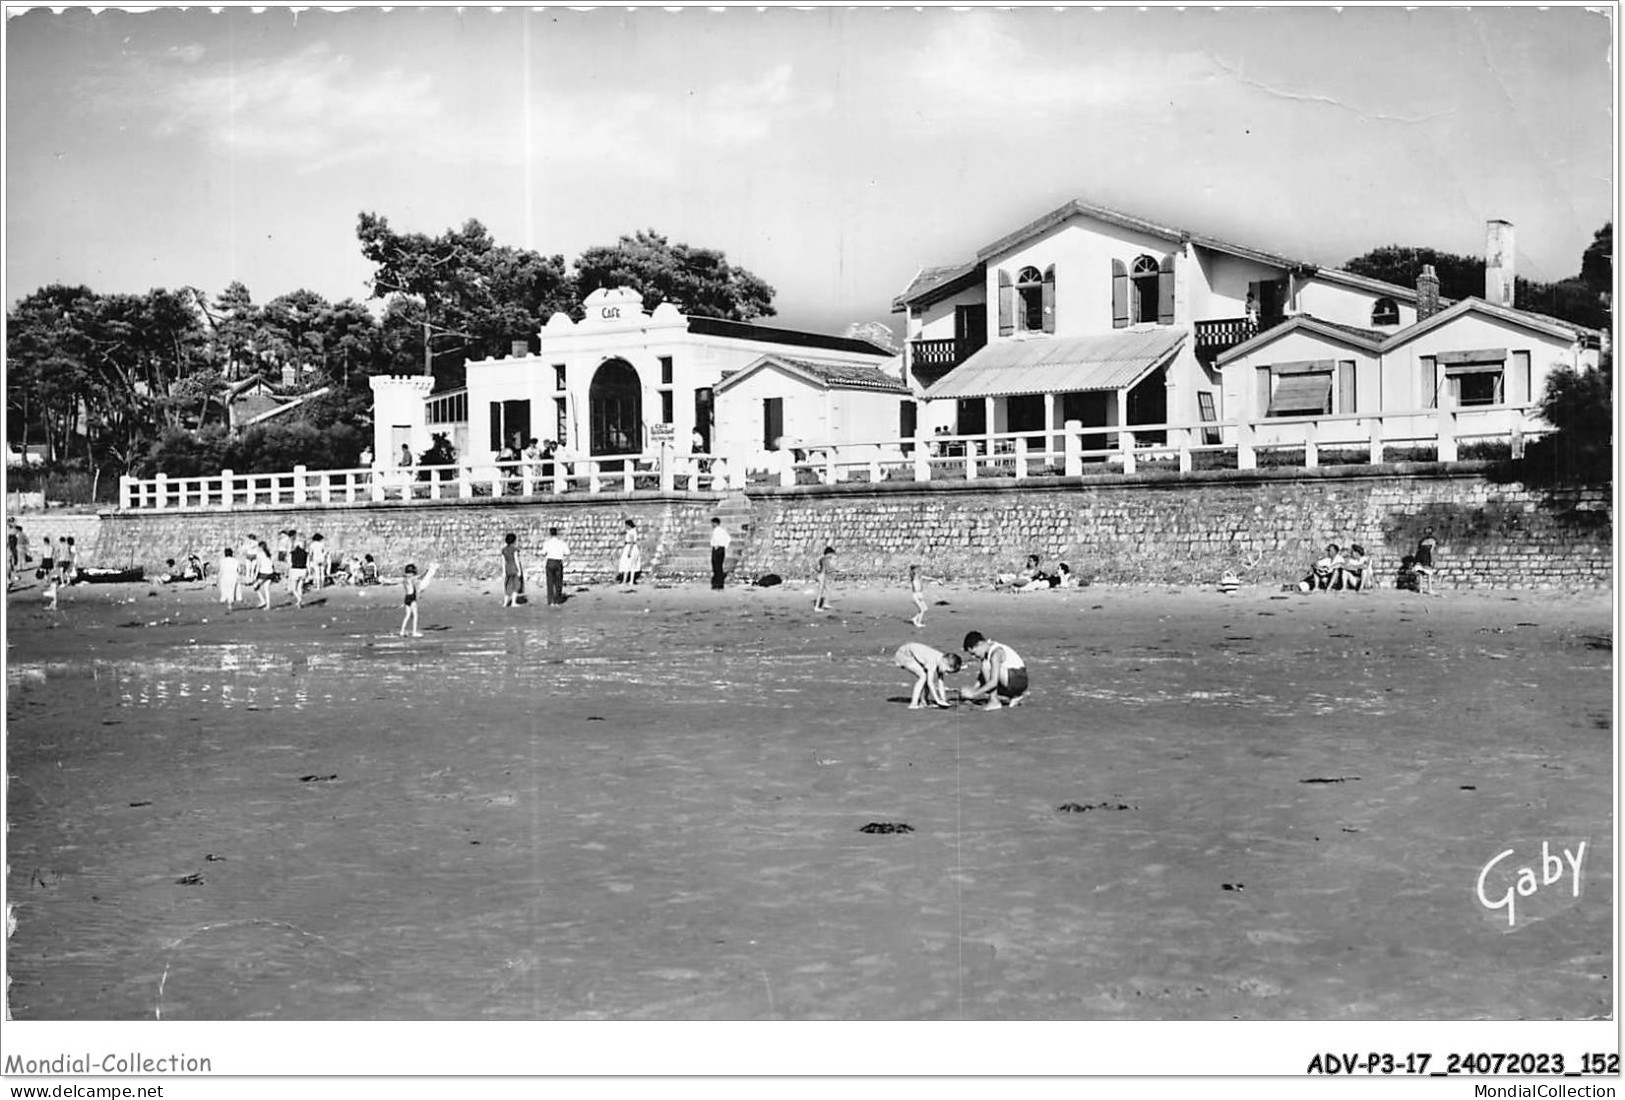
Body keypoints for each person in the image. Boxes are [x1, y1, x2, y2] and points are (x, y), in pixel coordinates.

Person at [962, 631, 1029, 711]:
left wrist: (974, 694)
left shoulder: (995, 653)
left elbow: (993, 682)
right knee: (985, 682)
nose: (974, 656)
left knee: (986, 666)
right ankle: (1016, 696)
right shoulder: (989, 650)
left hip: (1016, 678)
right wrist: (973, 689)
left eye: (974, 653)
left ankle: (994, 701)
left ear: (980, 644)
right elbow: (982, 677)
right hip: (1017, 680)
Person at [894, 642, 963, 709]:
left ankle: (924, 701)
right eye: (947, 671)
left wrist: (943, 700)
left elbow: (941, 682)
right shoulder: (933, 661)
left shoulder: (941, 660)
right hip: (905, 654)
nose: (946, 674)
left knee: (926, 676)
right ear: (944, 662)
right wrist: (938, 700)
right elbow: (930, 683)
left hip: (910, 653)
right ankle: (913, 704)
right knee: (923, 676)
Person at [385, 563, 438, 637]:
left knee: (407, 615)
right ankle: (414, 632)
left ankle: (402, 631)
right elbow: (421, 577)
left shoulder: (403, 579)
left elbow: (393, 580)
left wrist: (384, 580)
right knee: (415, 615)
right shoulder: (411, 578)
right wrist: (427, 571)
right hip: (412, 598)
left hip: (406, 598)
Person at [542, 526, 569, 607]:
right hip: (558, 562)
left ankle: (550, 600)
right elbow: (567, 552)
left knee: (550, 582)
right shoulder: (562, 543)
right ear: (557, 533)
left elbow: (543, 553)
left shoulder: (547, 543)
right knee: (558, 582)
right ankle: (557, 600)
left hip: (550, 562)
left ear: (550, 533)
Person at [1409, 527, 1439, 595]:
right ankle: (1430, 589)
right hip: (1426, 557)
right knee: (1429, 574)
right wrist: (1433, 560)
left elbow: (1418, 549)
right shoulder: (1433, 541)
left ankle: (1421, 589)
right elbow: (1431, 551)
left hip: (1419, 556)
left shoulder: (1422, 541)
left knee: (1420, 573)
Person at [501, 532, 525, 608]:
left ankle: (505, 602)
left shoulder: (504, 550)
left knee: (508, 585)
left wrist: (503, 571)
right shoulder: (514, 549)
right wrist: (519, 570)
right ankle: (513, 602)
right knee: (515, 585)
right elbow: (516, 560)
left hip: (507, 568)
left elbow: (503, 561)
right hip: (514, 568)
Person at [617, 519, 641, 589]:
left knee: (626, 564)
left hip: (630, 548)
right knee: (633, 565)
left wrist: (629, 551)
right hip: (634, 548)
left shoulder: (631, 532)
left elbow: (631, 542)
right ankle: (631, 581)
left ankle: (624, 581)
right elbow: (623, 532)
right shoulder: (633, 531)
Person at [252, 537, 275, 609]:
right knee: (266, 588)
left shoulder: (259, 554)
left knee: (255, 586)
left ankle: (262, 600)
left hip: (264, 573)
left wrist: (255, 576)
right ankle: (268, 605)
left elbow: (258, 565)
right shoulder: (268, 554)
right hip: (270, 572)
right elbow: (272, 564)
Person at [813, 545, 836, 612]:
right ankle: (816, 607)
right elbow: (828, 569)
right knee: (820, 592)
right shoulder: (825, 559)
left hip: (821, 575)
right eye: (831, 554)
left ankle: (826, 604)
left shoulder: (822, 559)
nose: (832, 555)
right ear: (828, 553)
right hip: (822, 576)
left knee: (828, 589)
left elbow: (817, 567)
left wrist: (817, 572)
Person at [709, 518, 731, 591]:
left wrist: (722, 546)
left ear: (715, 523)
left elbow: (728, 539)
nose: (711, 525)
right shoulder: (716, 531)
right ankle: (717, 581)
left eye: (712, 523)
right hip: (716, 548)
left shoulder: (720, 531)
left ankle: (719, 582)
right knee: (715, 564)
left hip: (719, 549)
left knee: (718, 565)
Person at [218, 546, 240, 610]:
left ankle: (225, 599)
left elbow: (221, 570)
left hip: (225, 577)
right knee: (232, 590)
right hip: (234, 576)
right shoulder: (235, 560)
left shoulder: (222, 561)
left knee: (225, 589)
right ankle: (230, 603)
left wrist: (218, 578)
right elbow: (238, 570)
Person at [908, 563, 929, 628]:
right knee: (922, 610)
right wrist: (919, 597)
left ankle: (915, 618)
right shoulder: (914, 579)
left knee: (925, 608)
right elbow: (916, 590)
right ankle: (918, 623)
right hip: (916, 596)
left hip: (919, 595)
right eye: (917, 571)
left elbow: (927, 578)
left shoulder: (918, 578)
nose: (918, 572)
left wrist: (936, 580)